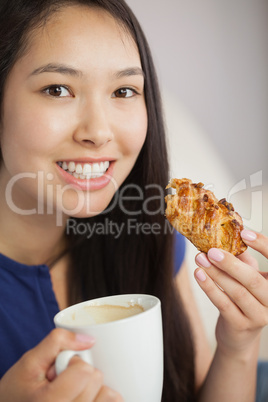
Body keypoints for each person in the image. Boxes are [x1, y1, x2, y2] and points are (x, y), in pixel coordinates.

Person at [0, 0, 267, 401]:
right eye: (58, 89)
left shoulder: (149, 231)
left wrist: (238, 345)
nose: (98, 131)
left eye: (123, 90)